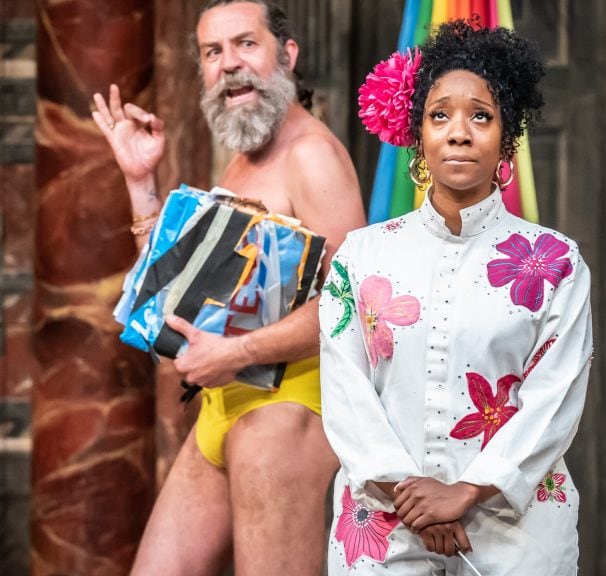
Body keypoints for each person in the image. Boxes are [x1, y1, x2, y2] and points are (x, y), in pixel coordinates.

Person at [91, 1, 365, 574]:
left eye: (246, 44)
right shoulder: (242, 161)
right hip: (223, 407)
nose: (229, 63)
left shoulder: (312, 156)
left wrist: (235, 354)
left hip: (288, 411)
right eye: (213, 52)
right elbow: (173, 295)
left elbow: (353, 306)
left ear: (286, 55)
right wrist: (140, 182)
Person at [319, 20, 593, 575]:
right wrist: (419, 503)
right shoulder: (361, 257)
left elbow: (554, 398)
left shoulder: (556, 262)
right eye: (440, 115)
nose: (459, 133)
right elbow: (347, 393)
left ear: (507, 136)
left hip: (515, 536)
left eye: (481, 116)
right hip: (383, 530)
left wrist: (466, 492)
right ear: (419, 134)